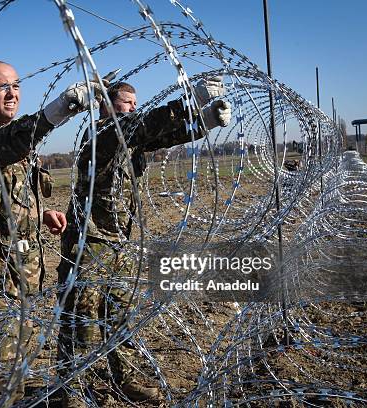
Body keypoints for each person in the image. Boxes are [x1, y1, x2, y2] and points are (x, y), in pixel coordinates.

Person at [57, 77, 231, 407]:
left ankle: (125, 380)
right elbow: (147, 124)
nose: (133, 109)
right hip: (89, 242)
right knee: (81, 323)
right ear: (106, 106)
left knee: (119, 318)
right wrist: (189, 101)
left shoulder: (131, 138)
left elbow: (162, 134)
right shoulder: (102, 135)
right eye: (126, 103)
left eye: (135, 104)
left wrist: (205, 121)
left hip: (118, 242)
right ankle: (71, 394)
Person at [0, 60, 105, 406]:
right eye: (1, 86)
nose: (11, 93)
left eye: (16, 86)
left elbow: (9, 194)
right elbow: (4, 146)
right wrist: (58, 110)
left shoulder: (17, 143)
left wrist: (40, 216)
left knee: (19, 364)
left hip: (24, 272)